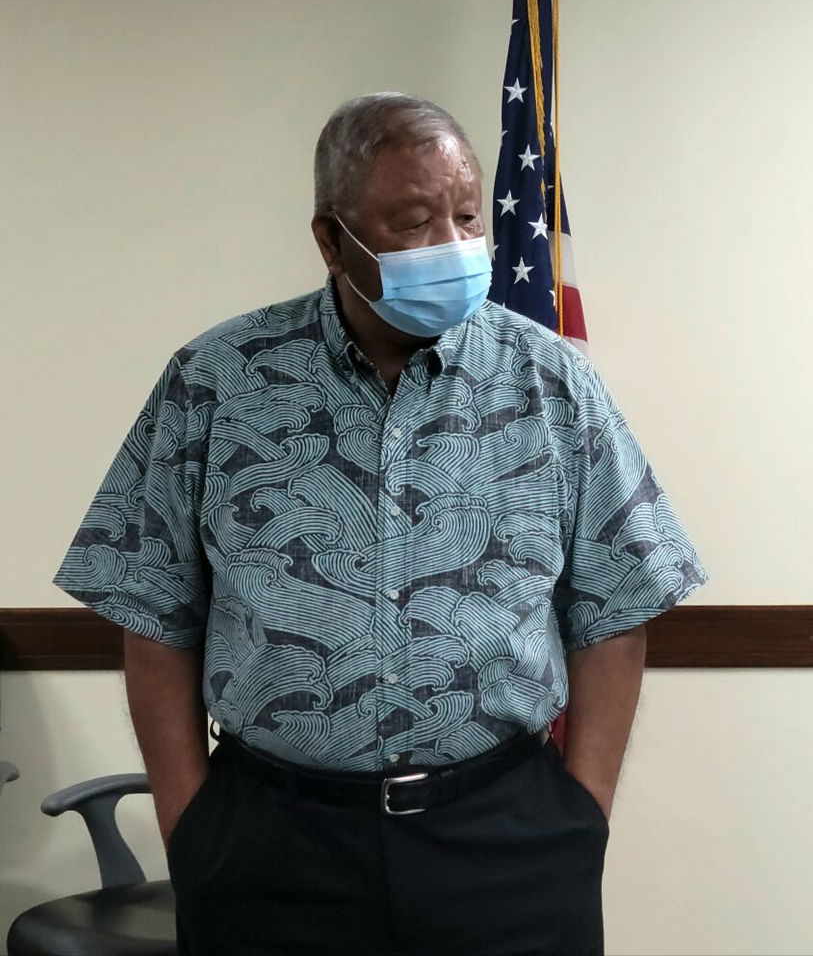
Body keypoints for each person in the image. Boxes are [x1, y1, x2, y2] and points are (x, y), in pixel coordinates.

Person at [52, 92, 708, 955]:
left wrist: (581, 817)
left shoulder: (550, 382)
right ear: (332, 240)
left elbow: (617, 610)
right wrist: (194, 830)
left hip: (506, 841)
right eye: (413, 223)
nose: (453, 245)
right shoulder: (217, 382)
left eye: (466, 217)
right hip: (273, 849)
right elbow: (153, 618)